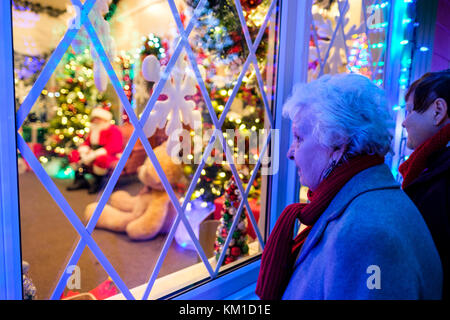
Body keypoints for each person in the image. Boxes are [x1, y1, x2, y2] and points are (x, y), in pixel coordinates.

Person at [255, 73, 443, 300]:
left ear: (337, 144)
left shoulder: (367, 233)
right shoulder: (359, 200)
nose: (290, 152)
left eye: (299, 138)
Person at [400, 69, 450, 299]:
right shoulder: (434, 169)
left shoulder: (440, 180)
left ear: (438, 111)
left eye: (409, 110)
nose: (404, 122)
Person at [67, 106, 123, 194]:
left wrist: (94, 154)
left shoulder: (114, 130)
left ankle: (97, 182)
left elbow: (114, 147)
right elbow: (86, 143)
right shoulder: (93, 130)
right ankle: (80, 180)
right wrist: (84, 151)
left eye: (98, 119)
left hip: (110, 154)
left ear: (104, 119)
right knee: (73, 154)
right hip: (92, 152)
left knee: (101, 159)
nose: (96, 121)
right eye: (94, 119)